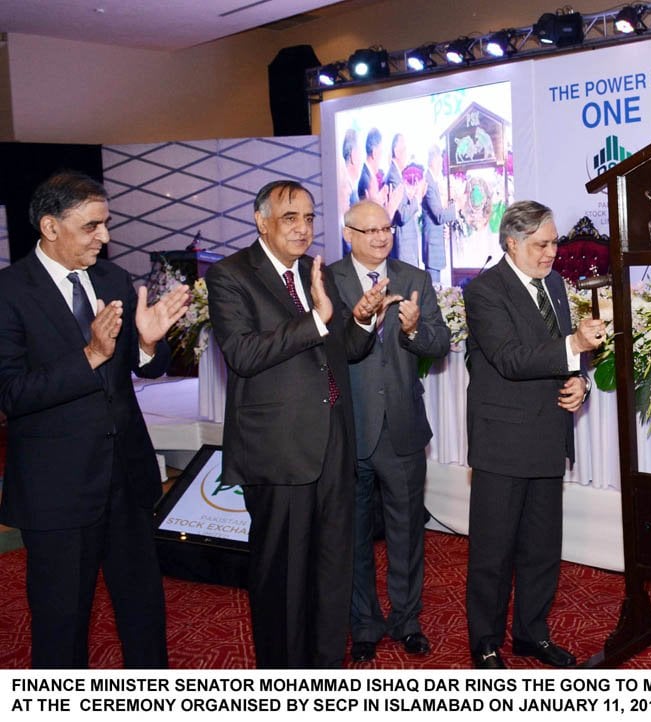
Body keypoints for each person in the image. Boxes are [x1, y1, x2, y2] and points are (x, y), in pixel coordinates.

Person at [0, 170, 189, 668]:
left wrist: (148, 344)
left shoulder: (112, 279)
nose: (105, 238)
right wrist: (89, 355)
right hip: (56, 491)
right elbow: (11, 394)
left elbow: (138, 363)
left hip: (127, 478)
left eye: (106, 225)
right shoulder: (9, 291)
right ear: (50, 226)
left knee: (144, 615)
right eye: (92, 227)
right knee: (61, 626)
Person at [205, 180, 395, 668]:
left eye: (310, 218)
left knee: (333, 570)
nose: (303, 228)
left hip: (333, 442)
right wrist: (315, 320)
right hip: (279, 451)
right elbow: (243, 355)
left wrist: (361, 321)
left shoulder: (318, 275)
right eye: (291, 217)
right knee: (282, 579)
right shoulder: (231, 276)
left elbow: (343, 352)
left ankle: (326, 674)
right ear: (260, 219)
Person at [463, 200, 606, 669]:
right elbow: (510, 357)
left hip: (548, 435)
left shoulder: (556, 286)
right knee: (493, 552)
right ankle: (484, 642)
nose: (552, 252)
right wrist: (573, 345)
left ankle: (531, 633)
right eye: (542, 244)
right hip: (502, 442)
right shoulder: (485, 291)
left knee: (543, 548)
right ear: (512, 243)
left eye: (554, 242)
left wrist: (580, 382)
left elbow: (563, 359)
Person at [331, 199, 451, 663]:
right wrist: (361, 318)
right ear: (348, 234)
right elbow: (327, 351)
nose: (382, 237)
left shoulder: (414, 278)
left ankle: (408, 620)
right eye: (370, 230)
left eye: (387, 228)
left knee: (406, 534)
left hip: (401, 425)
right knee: (354, 535)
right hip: (349, 428)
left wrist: (416, 329)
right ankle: (364, 623)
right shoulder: (329, 280)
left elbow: (440, 344)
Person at [386, 133, 425, 268]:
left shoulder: (397, 175)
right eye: (405, 150)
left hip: (407, 246)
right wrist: (416, 199)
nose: (407, 155)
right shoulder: (393, 176)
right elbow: (402, 215)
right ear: (396, 151)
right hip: (404, 247)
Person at [421, 145, 458, 285]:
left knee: (437, 288)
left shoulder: (433, 181)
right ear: (433, 160)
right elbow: (439, 216)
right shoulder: (429, 183)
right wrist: (457, 206)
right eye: (440, 159)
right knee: (434, 289)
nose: (442, 163)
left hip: (436, 242)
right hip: (432, 244)